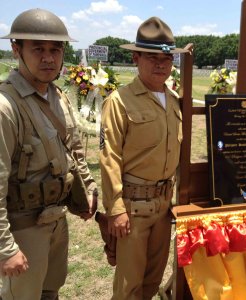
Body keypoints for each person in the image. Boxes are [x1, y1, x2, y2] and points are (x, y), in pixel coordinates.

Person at [0, 8, 97, 300]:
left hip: (55, 220)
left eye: (55, 49)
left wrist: (88, 189)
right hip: (22, 226)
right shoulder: (6, 106)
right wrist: (5, 248)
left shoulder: (57, 96)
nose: (48, 58)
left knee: (50, 292)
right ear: (16, 49)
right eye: (38, 49)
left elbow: (75, 151)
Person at [99, 16, 187, 299]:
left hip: (163, 206)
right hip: (133, 208)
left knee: (152, 281)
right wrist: (116, 209)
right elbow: (109, 155)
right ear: (136, 58)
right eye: (152, 57)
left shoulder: (173, 100)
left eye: (167, 57)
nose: (161, 64)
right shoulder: (120, 101)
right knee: (129, 287)